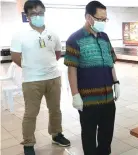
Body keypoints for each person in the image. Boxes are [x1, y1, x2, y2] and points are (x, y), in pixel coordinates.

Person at [10, 0, 70, 154]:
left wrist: (46, 66)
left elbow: (57, 53)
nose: (37, 16)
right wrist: (32, 67)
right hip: (32, 81)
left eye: (40, 13)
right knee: (31, 113)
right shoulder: (20, 35)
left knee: (55, 109)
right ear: (27, 16)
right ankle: (28, 143)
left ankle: (57, 134)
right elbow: (16, 56)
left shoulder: (52, 33)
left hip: (53, 78)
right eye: (33, 14)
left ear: (44, 13)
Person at [64, 1, 120, 155]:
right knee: (89, 135)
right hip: (88, 99)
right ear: (89, 17)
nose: (103, 22)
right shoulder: (74, 39)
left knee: (106, 134)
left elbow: (110, 62)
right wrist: (75, 95)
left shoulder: (105, 37)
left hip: (108, 97)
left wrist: (116, 82)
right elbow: (72, 70)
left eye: (105, 19)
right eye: (100, 19)